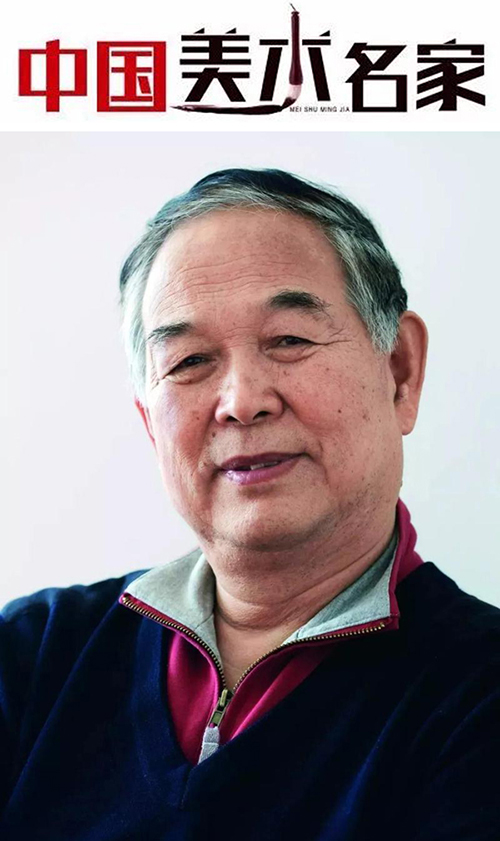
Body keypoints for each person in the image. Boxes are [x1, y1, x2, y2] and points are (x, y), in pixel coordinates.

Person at [1, 168, 498, 840]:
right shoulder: (33, 654)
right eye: (189, 361)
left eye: (289, 339)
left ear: (400, 371)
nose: (241, 401)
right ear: (151, 425)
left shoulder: (477, 696)